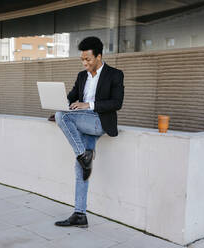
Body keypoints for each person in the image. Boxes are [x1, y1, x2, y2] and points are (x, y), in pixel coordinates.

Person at [53, 36, 124, 228]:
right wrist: (59, 106)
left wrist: (88, 104)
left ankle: (82, 154)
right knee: (81, 170)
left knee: (64, 118)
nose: (85, 63)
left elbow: (116, 103)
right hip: (83, 122)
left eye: (88, 59)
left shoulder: (115, 74)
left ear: (99, 56)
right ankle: (80, 214)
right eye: (82, 59)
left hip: (99, 122)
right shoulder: (82, 76)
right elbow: (71, 96)